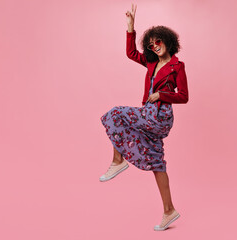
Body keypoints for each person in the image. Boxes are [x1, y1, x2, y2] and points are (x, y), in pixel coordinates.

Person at [99, 3, 189, 231]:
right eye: (151, 44)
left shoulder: (177, 66)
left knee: (115, 113)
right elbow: (131, 53)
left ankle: (118, 161)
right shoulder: (151, 63)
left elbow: (184, 96)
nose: (155, 46)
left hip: (160, 115)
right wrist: (130, 28)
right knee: (157, 162)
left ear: (168, 41)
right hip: (148, 114)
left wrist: (161, 94)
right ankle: (169, 211)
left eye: (158, 41)